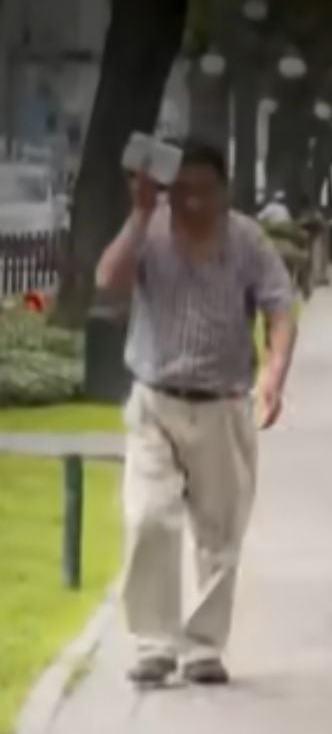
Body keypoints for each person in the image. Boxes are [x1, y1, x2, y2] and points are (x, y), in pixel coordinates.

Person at [94, 139, 299, 688]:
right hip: (155, 400)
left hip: (222, 403)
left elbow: (281, 307)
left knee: (219, 532)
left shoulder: (247, 240)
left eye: (204, 191)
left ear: (224, 191)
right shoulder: (151, 230)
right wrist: (140, 212)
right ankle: (154, 643)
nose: (192, 203)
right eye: (181, 191)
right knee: (148, 518)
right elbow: (108, 280)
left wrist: (273, 376)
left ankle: (204, 647)